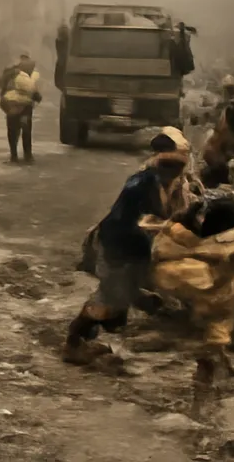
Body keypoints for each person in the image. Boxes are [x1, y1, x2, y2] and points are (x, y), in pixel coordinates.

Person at [64, 131, 193, 362]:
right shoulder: (143, 183)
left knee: (118, 299)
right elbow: (135, 221)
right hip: (119, 245)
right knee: (108, 301)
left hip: (129, 247)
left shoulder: (159, 183)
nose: (176, 172)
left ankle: (90, 336)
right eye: (171, 166)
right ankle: (74, 342)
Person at [0, 55, 42, 163]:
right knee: (26, 131)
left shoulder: (10, 76)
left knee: (12, 131)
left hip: (11, 107)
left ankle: (14, 156)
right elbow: (36, 95)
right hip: (25, 109)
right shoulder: (29, 79)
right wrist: (37, 98)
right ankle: (28, 156)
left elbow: (3, 91)